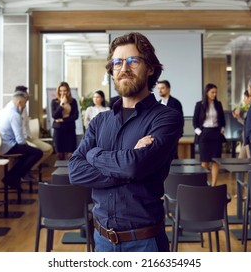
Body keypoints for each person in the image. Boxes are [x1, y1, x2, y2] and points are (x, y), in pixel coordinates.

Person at [68, 32, 183, 252]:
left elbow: (134, 166)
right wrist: (128, 168)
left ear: (150, 68)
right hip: (101, 240)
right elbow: (75, 171)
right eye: (117, 62)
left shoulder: (166, 117)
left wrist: (93, 154)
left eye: (133, 61)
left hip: (145, 243)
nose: (124, 68)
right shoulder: (100, 121)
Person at [0, 91, 43, 190]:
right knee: (38, 152)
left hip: (0, 144)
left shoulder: (3, 111)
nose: (25, 106)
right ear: (20, 102)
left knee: (27, 154)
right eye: (25, 103)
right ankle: (12, 177)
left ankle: (13, 178)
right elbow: (20, 141)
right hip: (8, 146)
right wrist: (29, 145)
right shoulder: (14, 115)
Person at [14, 86, 53, 179]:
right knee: (36, 152)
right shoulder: (14, 110)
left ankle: (29, 168)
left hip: (29, 137)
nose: (27, 95)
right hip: (21, 138)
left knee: (49, 149)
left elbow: (26, 125)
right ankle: (24, 172)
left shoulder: (24, 107)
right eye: (25, 93)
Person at [193, 83, 225, 186]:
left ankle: (213, 185)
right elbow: (195, 122)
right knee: (205, 161)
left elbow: (222, 120)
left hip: (216, 133)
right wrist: (200, 133)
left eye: (216, 92)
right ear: (207, 92)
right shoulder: (199, 104)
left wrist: (222, 130)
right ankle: (204, 184)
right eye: (212, 92)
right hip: (204, 134)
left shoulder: (218, 104)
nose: (214, 94)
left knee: (215, 161)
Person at [51, 81, 79, 160]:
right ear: (58, 91)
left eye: (65, 90)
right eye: (61, 91)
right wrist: (61, 104)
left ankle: (70, 172)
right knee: (60, 155)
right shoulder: (54, 102)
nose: (63, 93)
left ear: (68, 91)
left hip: (70, 130)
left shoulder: (73, 102)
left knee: (71, 154)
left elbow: (75, 116)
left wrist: (63, 120)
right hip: (58, 130)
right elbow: (54, 115)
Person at [157, 80, 184, 158]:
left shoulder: (175, 103)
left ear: (168, 89)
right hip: (160, 136)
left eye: (162, 88)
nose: (160, 90)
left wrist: (178, 135)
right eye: (158, 88)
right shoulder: (157, 103)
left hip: (172, 135)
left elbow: (180, 120)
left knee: (173, 157)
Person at [232, 90, 251, 159]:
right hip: (245, 139)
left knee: (250, 161)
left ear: (250, 98)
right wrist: (238, 118)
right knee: (240, 161)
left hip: (249, 140)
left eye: (245, 97)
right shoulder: (249, 109)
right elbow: (246, 124)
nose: (243, 100)